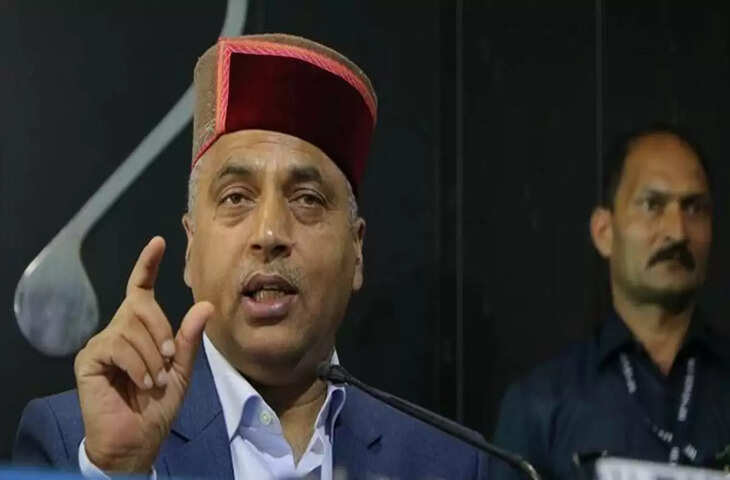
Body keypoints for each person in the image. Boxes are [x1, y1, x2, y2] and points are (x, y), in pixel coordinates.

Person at [13, 34, 488, 479]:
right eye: (236, 197)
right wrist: (121, 472)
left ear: (357, 251)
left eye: (307, 199)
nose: (269, 233)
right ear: (190, 248)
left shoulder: (450, 464)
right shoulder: (77, 443)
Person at [493, 124, 730, 479]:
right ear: (604, 231)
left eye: (694, 208)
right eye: (652, 205)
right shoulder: (542, 404)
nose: (677, 231)